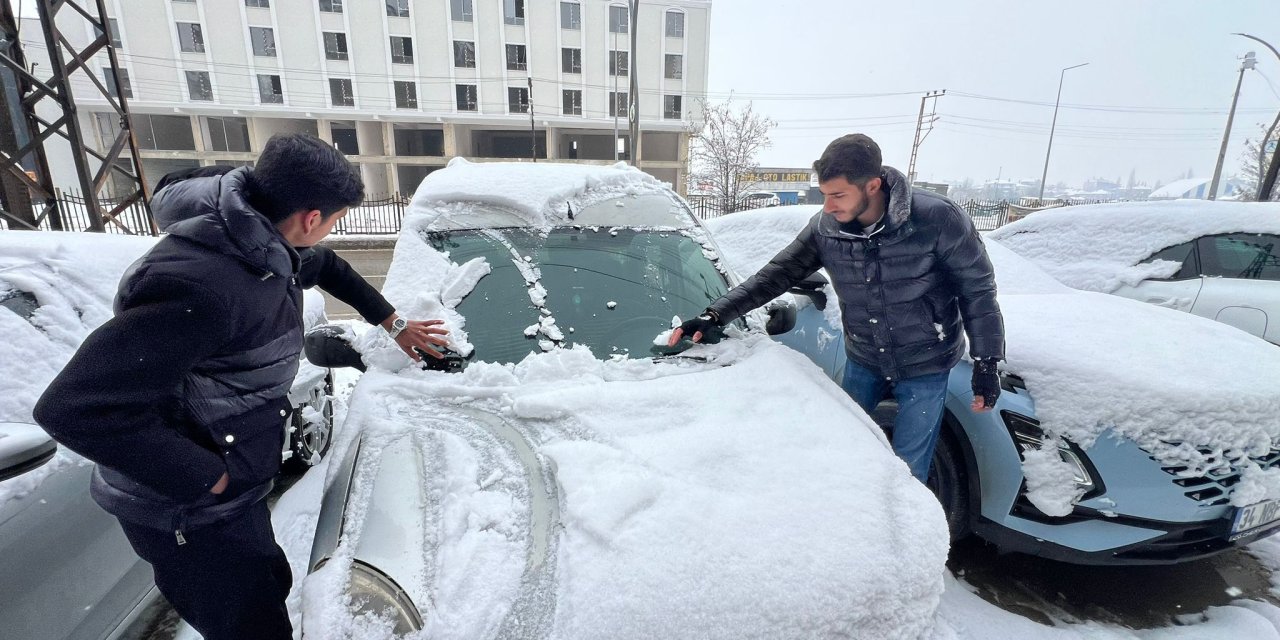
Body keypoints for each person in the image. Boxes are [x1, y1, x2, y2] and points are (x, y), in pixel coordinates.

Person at [33, 133, 447, 639]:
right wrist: (209, 478)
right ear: (311, 218)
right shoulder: (203, 286)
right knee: (250, 627)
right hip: (188, 515)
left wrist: (394, 323)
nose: (329, 233)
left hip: (232, 490)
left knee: (267, 586)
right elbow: (72, 408)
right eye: (335, 220)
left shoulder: (263, 241)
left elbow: (328, 266)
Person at [669, 133, 1005, 483]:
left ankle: (898, 516)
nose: (828, 207)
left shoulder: (938, 220)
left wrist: (987, 362)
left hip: (927, 364)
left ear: (872, 186)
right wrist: (715, 314)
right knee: (846, 455)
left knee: (908, 471)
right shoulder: (826, 228)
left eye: (838, 195)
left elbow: (977, 290)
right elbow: (776, 275)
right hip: (863, 360)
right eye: (825, 195)